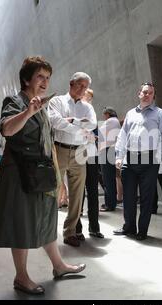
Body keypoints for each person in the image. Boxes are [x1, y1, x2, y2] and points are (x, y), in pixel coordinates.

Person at [0, 56, 85, 295]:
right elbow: (6, 130)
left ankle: (59, 266)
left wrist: (58, 179)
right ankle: (21, 277)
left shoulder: (43, 105)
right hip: (19, 173)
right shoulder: (15, 101)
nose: (45, 82)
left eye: (48, 77)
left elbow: (48, 144)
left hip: (41, 173)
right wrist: (28, 111)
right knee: (22, 223)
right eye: (40, 76)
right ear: (26, 79)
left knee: (45, 218)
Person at [114, 82, 162, 240]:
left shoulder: (160, 114)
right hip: (130, 159)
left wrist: (157, 160)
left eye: (150, 93)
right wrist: (119, 156)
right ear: (139, 93)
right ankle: (129, 227)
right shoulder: (131, 113)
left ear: (153, 96)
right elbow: (122, 135)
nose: (147, 95)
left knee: (147, 198)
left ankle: (142, 230)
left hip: (149, 159)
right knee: (128, 196)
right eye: (144, 92)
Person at [48, 72, 97, 247]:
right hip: (59, 149)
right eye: (79, 85)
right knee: (52, 192)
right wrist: (79, 127)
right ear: (71, 83)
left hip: (80, 152)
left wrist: (72, 121)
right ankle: (46, 231)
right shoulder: (57, 101)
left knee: (77, 195)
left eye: (85, 86)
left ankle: (70, 233)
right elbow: (55, 122)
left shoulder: (87, 107)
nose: (82, 89)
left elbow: (92, 125)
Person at [76, 88, 104, 239]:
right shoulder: (74, 113)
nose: (88, 100)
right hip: (77, 156)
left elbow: (98, 137)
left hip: (92, 157)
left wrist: (93, 138)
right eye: (86, 97)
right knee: (78, 193)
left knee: (92, 192)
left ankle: (94, 227)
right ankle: (77, 229)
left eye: (91, 98)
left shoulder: (92, 116)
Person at [99, 107, 121, 212]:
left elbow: (98, 133)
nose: (104, 117)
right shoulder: (116, 121)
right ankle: (111, 202)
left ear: (108, 114)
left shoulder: (111, 121)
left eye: (104, 115)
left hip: (107, 151)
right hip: (111, 151)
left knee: (108, 179)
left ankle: (110, 204)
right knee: (110, 179)